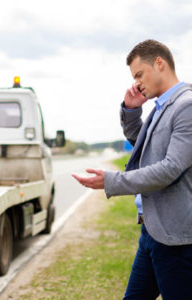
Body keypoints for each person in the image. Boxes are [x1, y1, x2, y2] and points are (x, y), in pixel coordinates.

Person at [72, 39, 192, 299]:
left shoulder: (186, 105)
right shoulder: (161, 106)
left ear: (159, 63)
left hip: (175, 239)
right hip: (150, 230)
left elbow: (169, 168)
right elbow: (144, 146)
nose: (137, 83)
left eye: (139, 74)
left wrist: (112, 181)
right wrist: (131, 110)